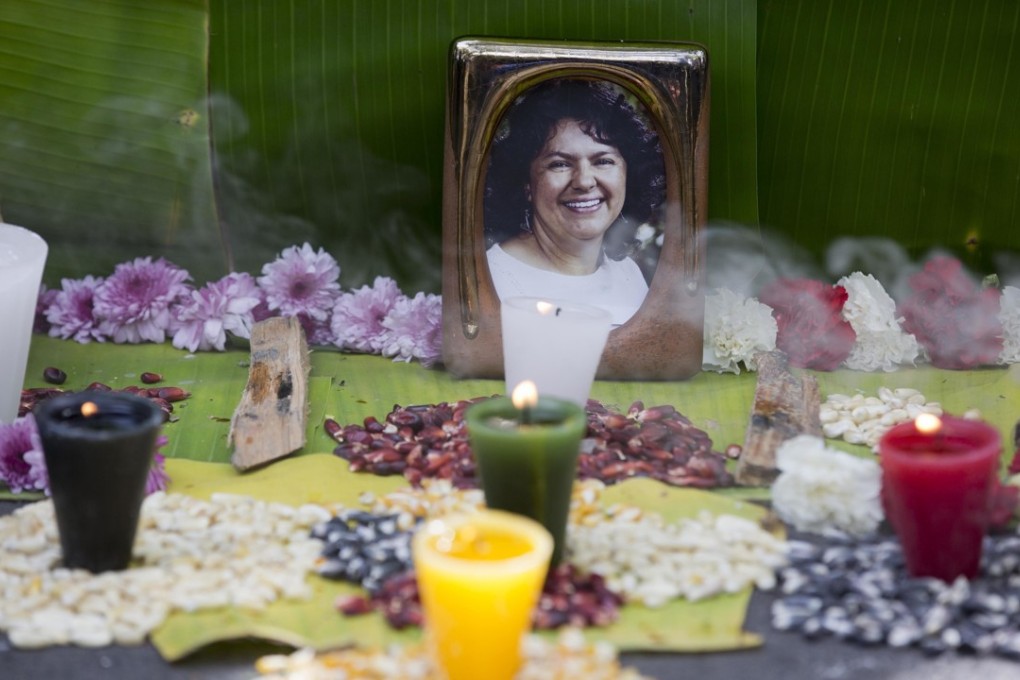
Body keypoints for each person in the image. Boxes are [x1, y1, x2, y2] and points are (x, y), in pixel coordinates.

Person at [484, 78, 666, 325]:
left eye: (603, 161)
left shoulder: (627, 274)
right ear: (526, 183)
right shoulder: (495, 278)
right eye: (559, 164)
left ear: (628, 175)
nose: (584, 181)